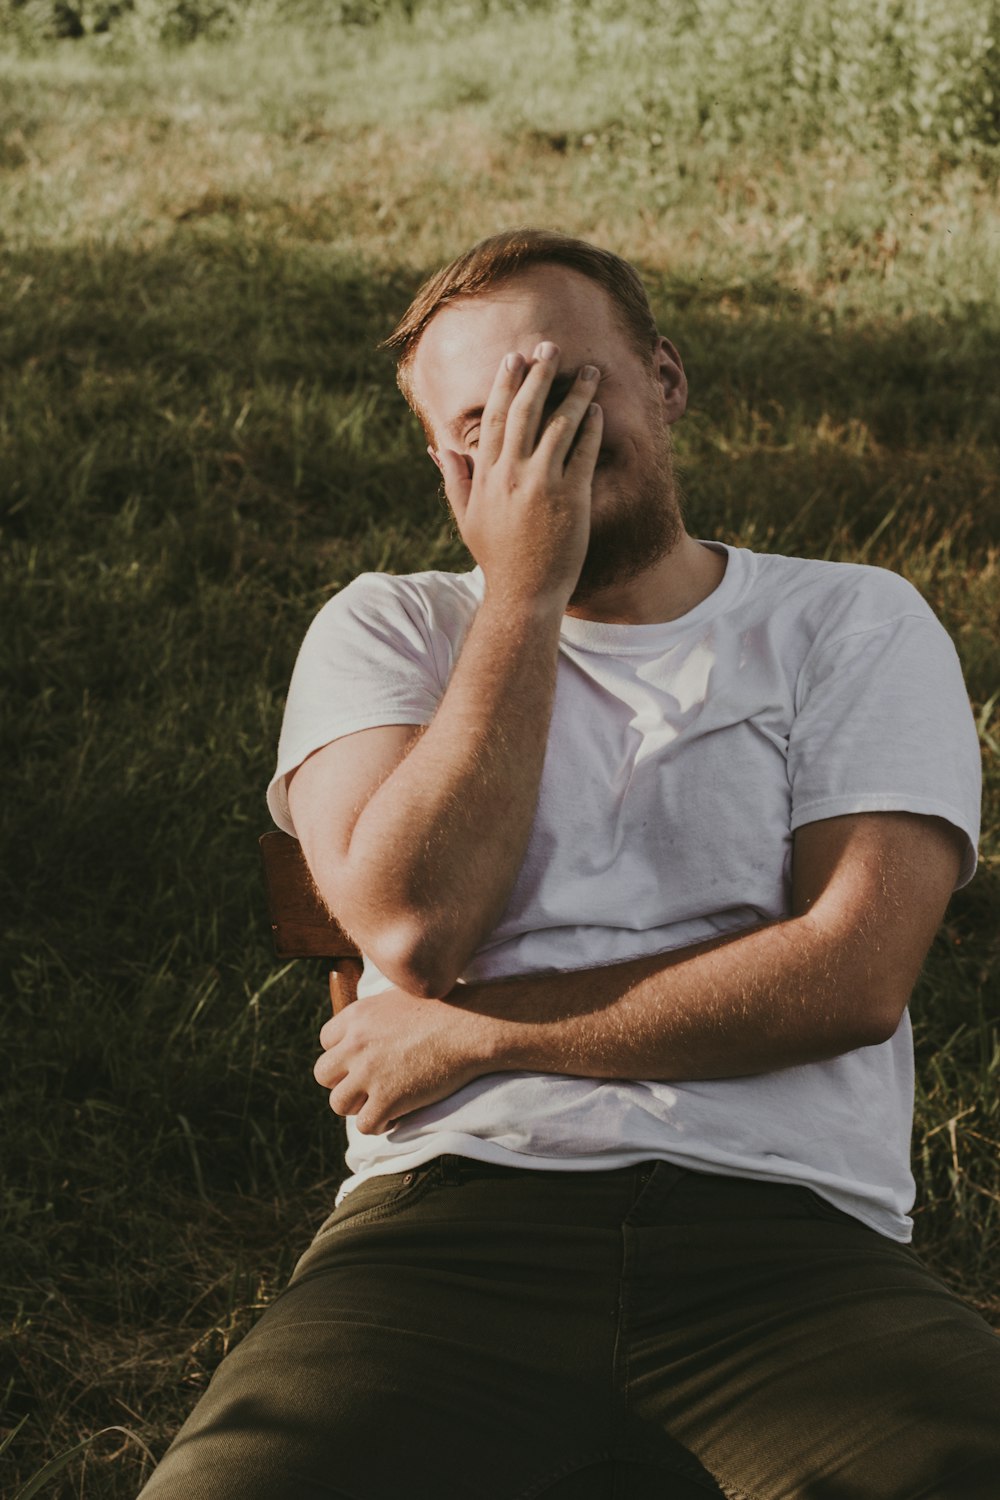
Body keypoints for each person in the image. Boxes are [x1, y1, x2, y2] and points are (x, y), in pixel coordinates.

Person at [140, 229, 1000, 1500]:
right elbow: (415, 930)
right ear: (447, 459)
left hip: (790, 1244)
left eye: (569, 387)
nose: (539, 439)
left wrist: (473, 1037)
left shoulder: (848, 618)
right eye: (490, 417)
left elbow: (849, 978)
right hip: (445, 1232)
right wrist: (522, 596)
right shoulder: (388, 626)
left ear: (664, 379)